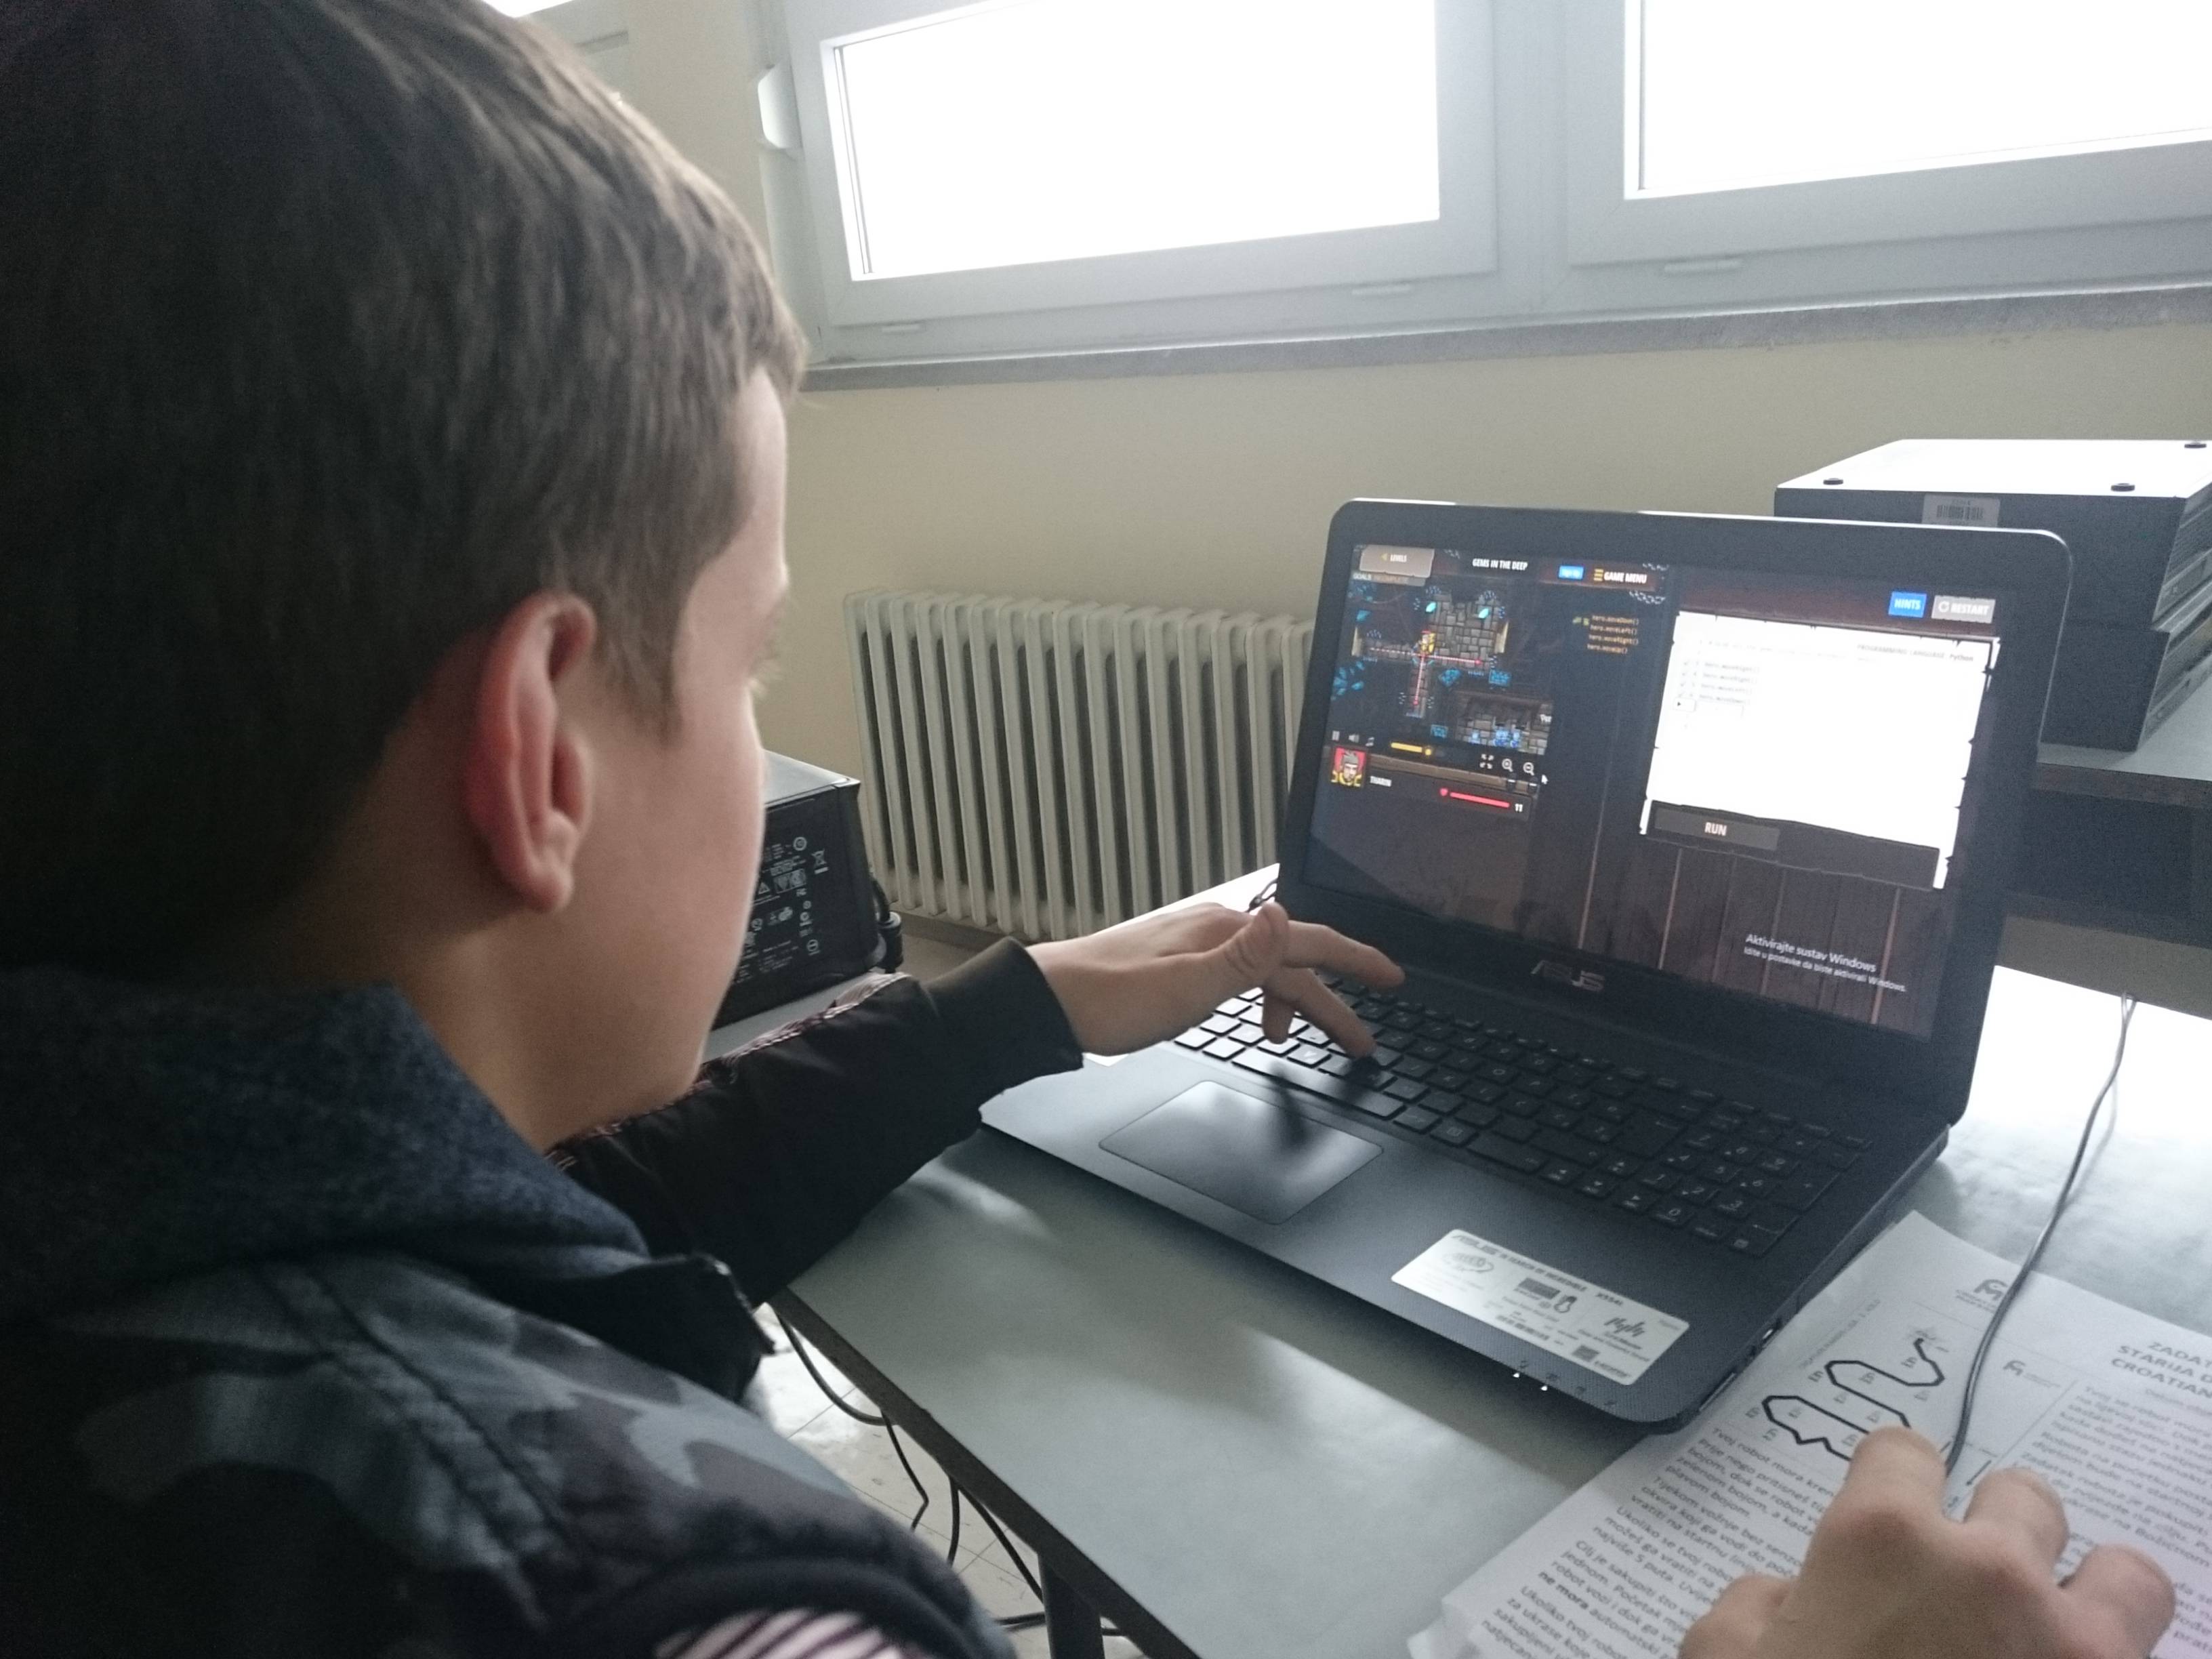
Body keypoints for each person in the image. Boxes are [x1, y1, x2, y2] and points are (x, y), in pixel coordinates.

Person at [0, 3, 2173, 1656]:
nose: (765, 731)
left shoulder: (151, 1198)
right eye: (755, 664)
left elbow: (578, 1223)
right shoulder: (686, 1609)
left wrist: (1012, 1005)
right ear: (537, 759)